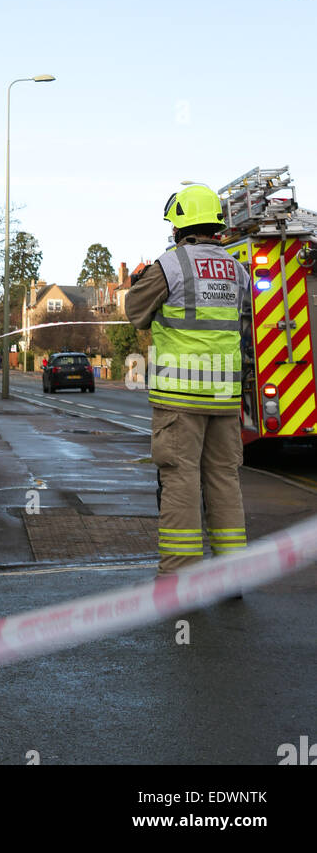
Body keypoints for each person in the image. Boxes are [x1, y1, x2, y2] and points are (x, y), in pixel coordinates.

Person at [125, 184, 251, 578]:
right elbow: (242, 320)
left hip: (180, 400)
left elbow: (135, 312)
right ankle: (231, 575)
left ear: (179, 225)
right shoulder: (237, 269)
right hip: (224, 396)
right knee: (224, 480)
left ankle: (179, 578)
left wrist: (139, 282)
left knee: (180, 480)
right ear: (216, 224)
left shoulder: (171, 265)